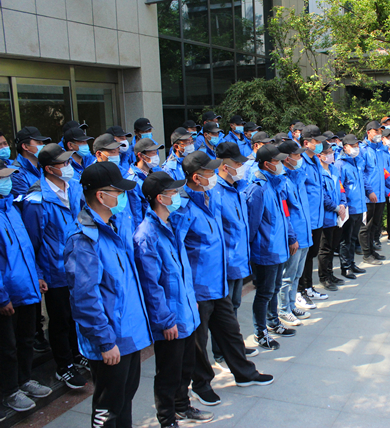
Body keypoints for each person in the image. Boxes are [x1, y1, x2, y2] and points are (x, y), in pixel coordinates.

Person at [169, 151, 272, 407]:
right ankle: (201, 384)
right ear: (196, 177)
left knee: (230, 331)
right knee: (198, 341)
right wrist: (185, 292)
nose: (214, 175)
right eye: (209, 172)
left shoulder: (210, 196)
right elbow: (177, 253)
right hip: (198, 286)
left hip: (218, 280)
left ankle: (245, 373)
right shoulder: (182, 207)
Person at [64, 162, 153, 428]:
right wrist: (104, 341)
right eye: (119, 192)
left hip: (127, 334)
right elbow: (85, 299)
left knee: (124, 400)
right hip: (111, 338)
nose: (123, 197)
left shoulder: (110, 227)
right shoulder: (83, 240)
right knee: (107, 410)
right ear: (101, 196)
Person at [134, 172, 213, 427]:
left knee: (186, 367)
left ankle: (182, 405)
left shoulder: (171, 224)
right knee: (168, 373)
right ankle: (167, 419)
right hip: (170, 317)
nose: (178, 196)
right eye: (173, 193)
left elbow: (181, 271)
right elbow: (151, 285)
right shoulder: (146, 235)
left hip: (186, 310)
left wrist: (191, 299)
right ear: (160, 198)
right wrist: (165, 320)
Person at [21, 144, 87, 390]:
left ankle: (77, 354)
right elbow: (32, 241)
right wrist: (39, 274)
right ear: (49, 169)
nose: (68, 167)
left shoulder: (74, 187)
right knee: (60, 320)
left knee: (76, 315)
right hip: (55, 269)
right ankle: (64, 366)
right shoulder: (37, 200)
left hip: (78, 265)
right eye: (63, 163)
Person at [0, 161, 52, 412]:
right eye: (2, 178)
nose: (7, 182)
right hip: (8, 294)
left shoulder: (12, 208)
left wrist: (38, 275)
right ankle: (10, 391)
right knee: (7, 347)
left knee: (25, 340)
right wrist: (1, 297)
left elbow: (28, 247)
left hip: (27, 287)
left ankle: (24, 380)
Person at [244, 144, 298, 350]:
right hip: (266, 250)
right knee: (265, 292)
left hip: (279, 248)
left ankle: (273, 322)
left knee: (274, 288)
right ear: (267, 164)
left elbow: (285, 215)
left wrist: (291, 237)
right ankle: (260, 332)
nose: (281, 163)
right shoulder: (258, 189)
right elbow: (252, 226)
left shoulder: (276, 184)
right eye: (277, 161)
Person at [210, 142, 259, 366]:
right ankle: (222, 352)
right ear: (224, 166)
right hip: (226, 261)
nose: (241, 167)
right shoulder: (215, 192)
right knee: (224, 310)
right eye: (237, 164)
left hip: (239, 258)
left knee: (234, 305)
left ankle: (233, 345)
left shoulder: (236, 187)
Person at [276, 140, 313, 326]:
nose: (300, 158)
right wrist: (292, 237)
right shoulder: (282, 182)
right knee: (287, 276)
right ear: (286, 158)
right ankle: (283, 309)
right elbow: (285, 213)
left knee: (297, 274)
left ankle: (291, 305)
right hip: (295, 237)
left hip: (305, 234)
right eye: (297, 155)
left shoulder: (299, 176)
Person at [298, 126, 332, 296]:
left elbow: (319, 189)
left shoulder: (316, 161)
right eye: (316, 141)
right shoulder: (300, 163)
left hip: (317, 218)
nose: (319, 145)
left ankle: (309, 287)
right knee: (302, 258)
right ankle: (300, 291)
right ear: (306, 143)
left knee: (311, 254)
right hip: (307, 219)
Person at [334, 134, 367, 280]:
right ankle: (345, 267)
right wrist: (343, 204)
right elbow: (339, 186)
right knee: (345, 240)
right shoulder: (340, 164)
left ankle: (352, 263)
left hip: (359, 206)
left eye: (357, 146)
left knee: (353, 238)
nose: (356, 148)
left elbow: (362, 182)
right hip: (349, 206)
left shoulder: (358, 161)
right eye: (353, 146)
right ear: (345, 147)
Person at [317, 141, 347, 292]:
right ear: (320, 155)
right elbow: (322, 195)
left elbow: (340, 188)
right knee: (325, 248)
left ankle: (330, 274)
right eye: (327, 153)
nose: (331, 155)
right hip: (327, 216)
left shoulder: (334, 169)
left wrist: (343, 204)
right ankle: (324, 277)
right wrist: (336, 208)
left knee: (333, 246)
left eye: (331, 152)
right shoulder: (318, 172)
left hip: (338, 215)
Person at [359, 121, 386, 265]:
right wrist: (369, 191)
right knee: (366, 226)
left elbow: (382, 172)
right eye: (376, 131)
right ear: (368, 132)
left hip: (380, 194)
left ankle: (372, 250)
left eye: (380, 131)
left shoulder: (380, 149)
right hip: (369, 196)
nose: (379, 134)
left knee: (375, 225)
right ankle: (366, 254)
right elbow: (361, 174)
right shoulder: (363, 150)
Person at [126, 138, 164, 229]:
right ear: (141, 156)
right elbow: (137, 215)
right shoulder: (133, 182)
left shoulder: (155, 172)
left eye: (156, 152)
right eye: (153, 153)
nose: (156, 156)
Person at [11, 126, 50, 198]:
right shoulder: (16, 174)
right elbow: (27, 202)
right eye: (38, 142)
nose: (43, 146)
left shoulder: (45, 166)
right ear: (25, 146)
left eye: (42, 143)